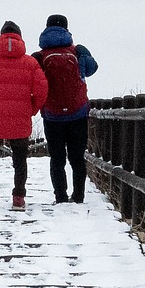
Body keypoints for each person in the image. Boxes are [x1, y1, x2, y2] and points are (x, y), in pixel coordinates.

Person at [0, 19, 48, 210]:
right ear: (20, 37)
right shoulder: (30, 63)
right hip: (20, 118)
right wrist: (32, 109)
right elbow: (42, 90)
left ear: (1, 36)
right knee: (20, 160)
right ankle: (19, 198)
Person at [35, 14, 98, 203]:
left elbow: (33, 82)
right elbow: (91, 69)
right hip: (77, 113)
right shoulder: (77, 50)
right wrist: (85, 54)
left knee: (57, 159)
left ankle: (60, 197)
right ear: (66, 29)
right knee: (77, 158)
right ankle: (78, 196)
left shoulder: (39, 56)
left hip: (52, 115)